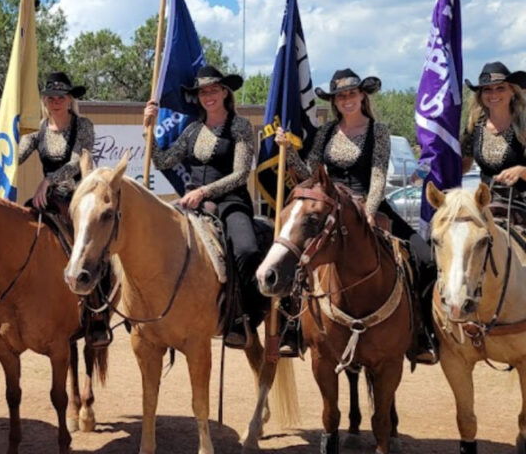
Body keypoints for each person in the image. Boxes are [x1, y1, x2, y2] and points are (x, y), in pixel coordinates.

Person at [276, 68, 438, 364]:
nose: (346, 100)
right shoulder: (326, 133)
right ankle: (292, 328)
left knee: (424, 258)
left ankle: (422, 333)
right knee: (294, 251)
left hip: (368, 203)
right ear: (335, 102)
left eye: (351, 93)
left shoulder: (378, 131)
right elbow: (309, 172)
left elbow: (378, 176)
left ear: (362, 95)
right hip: (328, 207)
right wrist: (287, 150)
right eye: (340, 96)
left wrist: (369, 211)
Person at [145, 65, 265, 350]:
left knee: (246, 250)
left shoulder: (240, 126)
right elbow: (164, 161)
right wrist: (148, 130)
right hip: (192, 203)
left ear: (225, 91)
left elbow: (240, 175)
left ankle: (240, 315)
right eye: (202, 91)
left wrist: (204, 191)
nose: (208, 95)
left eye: (213, 89)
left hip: (231, 201)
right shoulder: (192, 130)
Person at [18, 72, 106, 346]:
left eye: (61, 97)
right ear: (45, 101)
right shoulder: (38, 131)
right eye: (50, 97)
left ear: (70, 100)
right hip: (47, 197)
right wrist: (2, 153)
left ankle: (97, 312)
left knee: (92, 247)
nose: (55, 102)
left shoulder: (84, 126)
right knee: (16, 231)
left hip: (79, 198)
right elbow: (13, 156)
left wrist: (49, 180)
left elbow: (80, 160)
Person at [460, 62, 526, 214]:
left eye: (500, 88)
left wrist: (522, 171)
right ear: (481, 95)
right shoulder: (474, 125)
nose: (493, 94)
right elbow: (463, 166)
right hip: (487, 205)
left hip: (522, 205)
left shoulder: (524, 124)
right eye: (487, 89)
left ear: (512, 91)